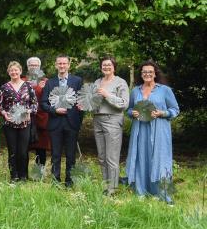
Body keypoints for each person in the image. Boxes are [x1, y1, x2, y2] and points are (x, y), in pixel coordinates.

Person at [126, 60, 179, 203]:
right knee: (141, 158)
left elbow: (175, 110)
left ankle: (162, 193)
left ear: (155, 73)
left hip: (160, 131)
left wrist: (162, 113)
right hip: (140, 131)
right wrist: (133, 113)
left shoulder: (165, 90)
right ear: (141, 74)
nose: (147, 74)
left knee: (160, 160)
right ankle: (141, 190)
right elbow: (129, 109)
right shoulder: (135, 91)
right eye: (144, 72)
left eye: (150, 71)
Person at [40, 55, 83, 187]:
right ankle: (55, 181)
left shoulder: (77, 81)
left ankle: (69, 182)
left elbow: (82, 101)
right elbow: (43, 103)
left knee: (71, 155)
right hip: (55, 122)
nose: (62, 66)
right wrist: (54, 110)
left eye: (64, 63)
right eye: (60, 63)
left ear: (69, 65)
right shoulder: (50, 82)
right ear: (56, 65)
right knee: (55, 154)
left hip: (72, 123)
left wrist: (79, 120)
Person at [92, 56, 129, 195]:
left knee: (111, 157)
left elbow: (124, 104)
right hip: (97, 119)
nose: (106, 67)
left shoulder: (120, 82)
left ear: (114, 67)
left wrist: (107, 95)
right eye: (104, 65)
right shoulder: (97, 82)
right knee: (101, 156)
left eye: (109, 65)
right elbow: (93, 101)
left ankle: (113, 189)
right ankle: (105, 185)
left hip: (112, 119)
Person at [0, 61, 38, 181]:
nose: (14, 72)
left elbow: (35, 104)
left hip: (25, 123)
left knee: (23, 151)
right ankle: (13, 176)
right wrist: (4, 113)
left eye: (16, 70)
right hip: (10, 124)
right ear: (8, 72)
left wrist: (29, 112)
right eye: (11, 70)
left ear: (20, 71)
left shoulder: (28, 86)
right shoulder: (4, 87)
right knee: (12, 151)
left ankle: (23, 176)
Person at [25, 57, 51, 170]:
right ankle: (23, 173)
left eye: (36, 65)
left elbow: (51, 99)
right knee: (24, 147)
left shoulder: (46, 81)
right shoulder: (22, 80)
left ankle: (39, 172)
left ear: (39, 67)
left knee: (41, 148)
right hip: (25, 118)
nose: (33, 67)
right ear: (27, 67)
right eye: (31, 65)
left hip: (41, 118)